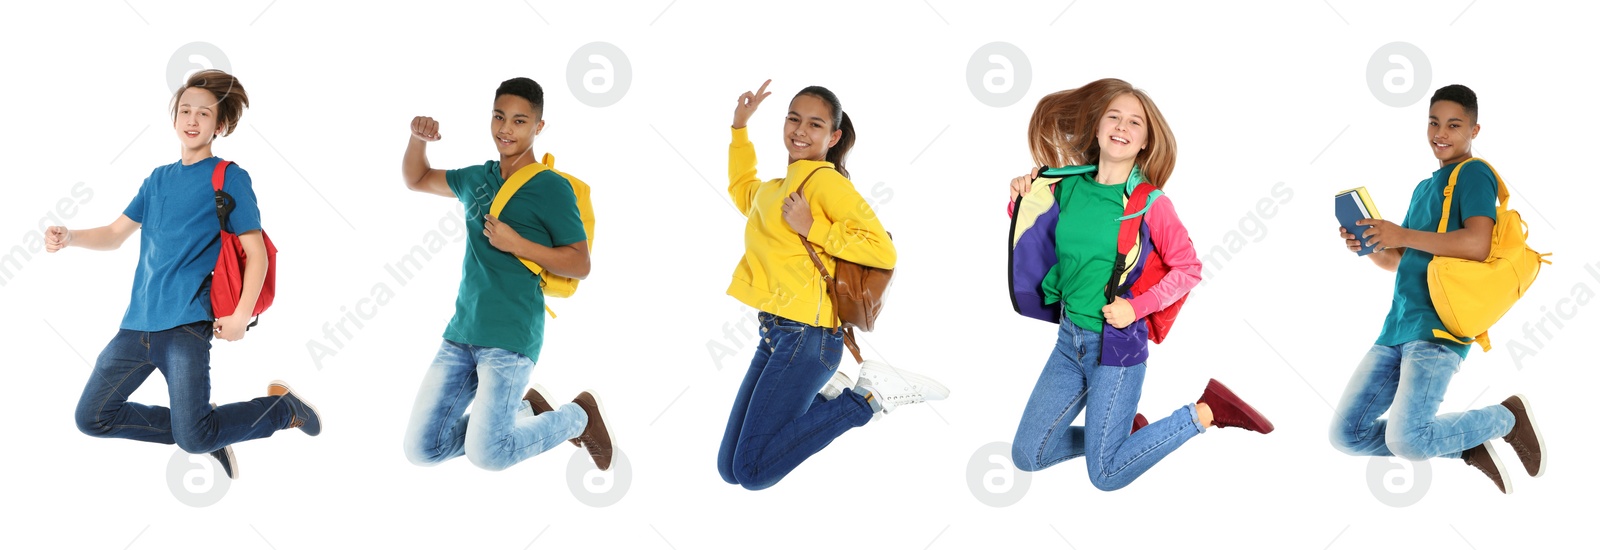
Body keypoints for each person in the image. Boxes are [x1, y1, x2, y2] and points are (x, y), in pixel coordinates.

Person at [1007, 78, 1272, 491]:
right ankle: (1120, 435)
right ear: (1097, 128)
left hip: (1116, 346)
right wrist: (1022, 196)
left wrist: (1137, 307)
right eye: (1113, 116)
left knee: (1106, 475)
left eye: (1135, 122)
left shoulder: (1150, 202)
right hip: (1069, 341)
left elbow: (1189, 268)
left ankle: (1205, 411)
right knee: (1027, 455)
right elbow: (1036, 233)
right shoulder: (1067, 186)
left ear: (1145, 142)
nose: (1122, 126)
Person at [57, 69, 319, 481]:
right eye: (185, 110)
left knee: (193, 438)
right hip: (135, 326)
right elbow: (113, 235)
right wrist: (70, 235)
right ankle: (208, 429)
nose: (192, 119)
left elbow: (257, 255)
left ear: (221, 124)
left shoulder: (228, 176)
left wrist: (239, 318)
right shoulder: (157, 179)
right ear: (174, 117)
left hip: (186, 328)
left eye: (204, 113)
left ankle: (283, 410)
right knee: (93, 417)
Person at [717, 80, 949, 491]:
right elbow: (742, 190)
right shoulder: (776, 189)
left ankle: (866, 399)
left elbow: (883, 250)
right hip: (775, 332)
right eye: (793, 119)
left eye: (815, 124)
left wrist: (815, 227)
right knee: (730, 469)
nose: (800, 131)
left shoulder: (824, 182)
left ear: (833, 136)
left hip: (809, 337)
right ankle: (830, 397)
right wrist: (739, 128)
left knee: (752, 472)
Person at [1330, 84, 1545, 494]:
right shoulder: (1425, 187)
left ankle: (1507, 417)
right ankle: (1464, 444)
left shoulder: (1474, 174)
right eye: (1433, 122)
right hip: (1397, 326)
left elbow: (1477, 244)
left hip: (1439, 328)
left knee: (1408, 439)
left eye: (1453, 124)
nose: (1440, 133)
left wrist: (1401, 233)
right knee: (1347, 435)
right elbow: (1405, 261)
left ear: (1474, 131)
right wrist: (1373, 246)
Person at [399, 77, 613, 472]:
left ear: (538, 127)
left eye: (518, 121)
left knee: (489, 453)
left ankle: (578, 416)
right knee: (422, 449)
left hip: (512, 336)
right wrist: (418, 139)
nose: (505, 129)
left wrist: (518, 245)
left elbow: (580, 263)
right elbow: (417, 178)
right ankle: (528, 408)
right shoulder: (477, 178)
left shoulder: (552, 188)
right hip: (462, 331)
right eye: (499, 117)